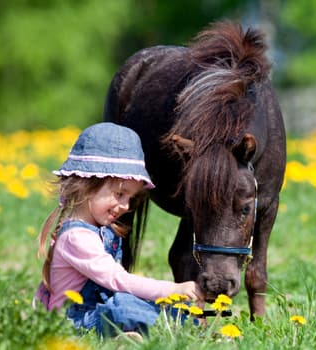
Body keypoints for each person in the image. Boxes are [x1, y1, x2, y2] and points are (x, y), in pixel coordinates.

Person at [34, 122, 203, 338]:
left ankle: (180, 326)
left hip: (97, 310)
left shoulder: (101, 230)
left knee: (133, 303)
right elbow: (118, 280)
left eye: (130, 198)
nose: (125, 206)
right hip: (74, 323)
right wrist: (173, 290)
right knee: (123, 307)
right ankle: (172, 328)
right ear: (87, 185)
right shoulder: (76, 238)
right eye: (119, 194)